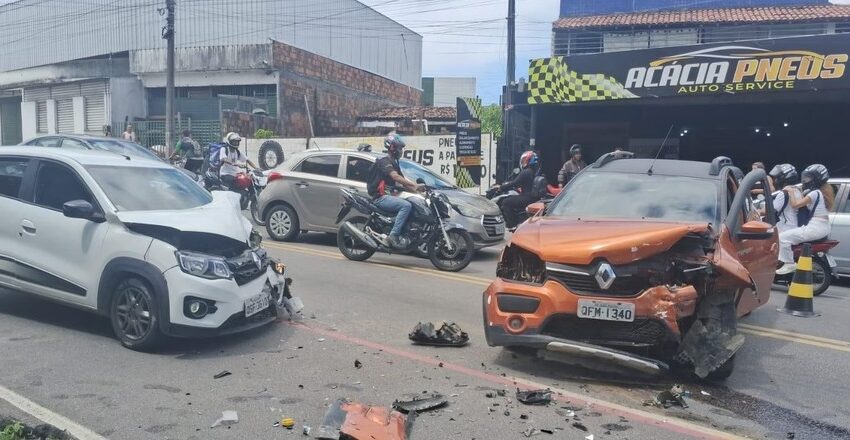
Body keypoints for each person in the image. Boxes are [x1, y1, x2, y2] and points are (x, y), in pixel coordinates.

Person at [367, 133, 424, 249]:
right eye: (400, 148)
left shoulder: (394, 163)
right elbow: (395, 177)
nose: (401, 151)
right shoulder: (385, 161)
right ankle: (393, 235)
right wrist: (414, 185)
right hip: (380, 197)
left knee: (414, 204)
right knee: (406, 206)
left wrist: (421, 193)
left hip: (389, 196)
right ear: (392, 148)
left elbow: (404, 183)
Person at [776, 164, 834, 275]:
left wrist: (791, 191)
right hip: (821, 226)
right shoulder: (821, 192)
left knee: (782, 238)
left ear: (816, 179)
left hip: (815, 227)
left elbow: (795, 205)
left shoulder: (814, 193)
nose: (805, 180)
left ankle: (789, 263)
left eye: (808, 178)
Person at [492, 151, 539, 230]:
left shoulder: (526, 172)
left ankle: (511, 225)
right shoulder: (533, 171)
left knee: (506, 202)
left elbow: (515, 183)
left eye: (524, 160)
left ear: (528, 160)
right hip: (531, 196)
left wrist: (501, 187)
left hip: (527, 197)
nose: (523, 162)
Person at [767, 164, 801, 233]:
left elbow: (769, 210)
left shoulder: (784, 193)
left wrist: (757, 211)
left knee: (765, 235)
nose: (776, 180)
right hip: (795, 226)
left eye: (777, 178)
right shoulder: (798, 190)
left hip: (786, 228)